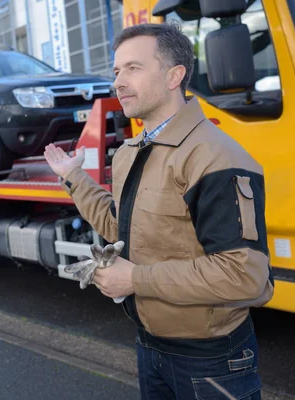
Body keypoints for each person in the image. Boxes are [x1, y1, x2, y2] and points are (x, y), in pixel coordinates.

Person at [44, 23, 273, 399]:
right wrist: (73, 176)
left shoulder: (214, 156)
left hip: (212, 360)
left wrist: (135, 280)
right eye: (116, 71)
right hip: (150, 348)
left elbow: (244, 276)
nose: (118, 82)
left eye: (133, 68)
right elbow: (121, 228)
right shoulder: (131, 152)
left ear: (174, 76)